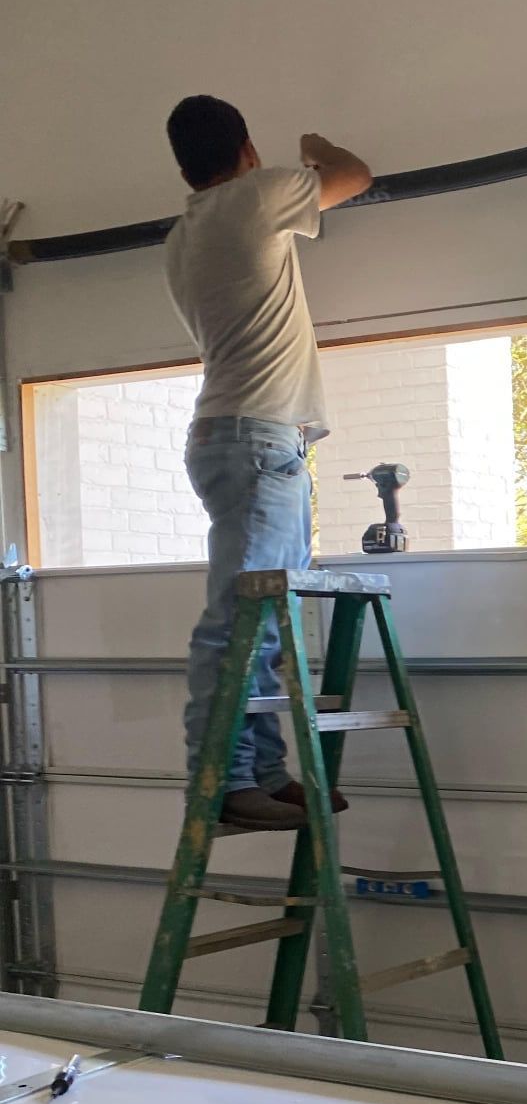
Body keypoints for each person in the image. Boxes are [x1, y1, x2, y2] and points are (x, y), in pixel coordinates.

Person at [163, 96, 371, 830]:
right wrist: (313, 136)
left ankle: (265, 772)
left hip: (245, 439)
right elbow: (352, 173)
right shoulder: (255, 195)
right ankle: (220, 784)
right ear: (247, 150)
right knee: (234, 623)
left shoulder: (184, 234)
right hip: (256, 441)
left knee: (265, 624)